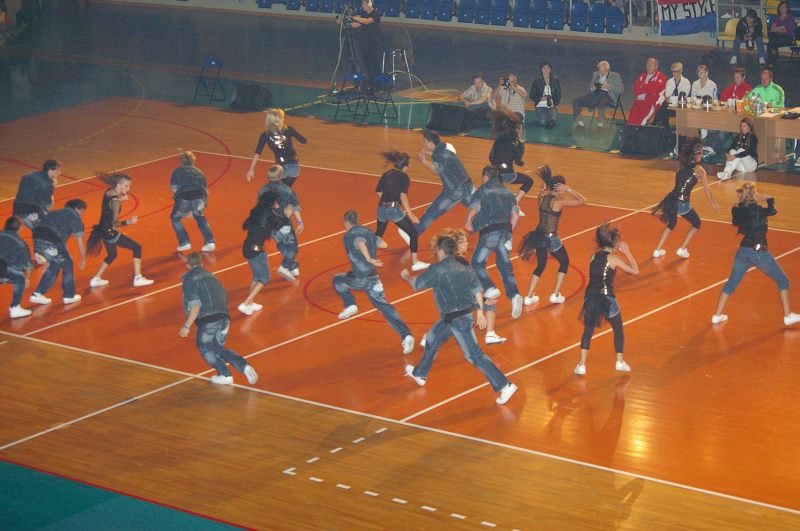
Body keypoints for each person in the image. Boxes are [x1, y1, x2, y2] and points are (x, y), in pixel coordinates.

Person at [400, 234, 518, 405]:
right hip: (455, 316)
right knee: (432, 338)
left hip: (457, 319)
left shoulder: (437, 269)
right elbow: (476, 289)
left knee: (474, 355)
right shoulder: (464, 266)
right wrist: (480, 311)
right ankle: (420, 373)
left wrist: (406, 276)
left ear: (441, 250)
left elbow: (416, 284)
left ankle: (505, 385)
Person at [711, 183, 799, 327]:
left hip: (743, 252)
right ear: (754, 195)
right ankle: (788, 315)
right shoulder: (758, 210)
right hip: (759, 253)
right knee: (783, 280)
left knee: (731, 283)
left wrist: (748, 199)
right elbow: (773, 210)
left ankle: (717, 315)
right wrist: (768, 198)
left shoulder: (737, 210)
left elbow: (737, 220)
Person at [333, 210, 415, 354]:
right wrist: (372, 246)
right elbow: (384, 244)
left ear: (346, 223)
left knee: (338, 280)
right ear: (358, 219)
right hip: (374, 278)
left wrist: (369, 258)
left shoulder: (349, 235)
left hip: (360, 277)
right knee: (384, 307)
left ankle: (350, 304)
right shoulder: (369, 232)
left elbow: (360, 243)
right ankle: (406, 335)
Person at [179, 252, 259, 386]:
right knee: (217, 348)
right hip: (224, 316)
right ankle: (244, 366)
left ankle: (224, 374)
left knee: (204, 347)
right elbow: (225, 296)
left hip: (207, 318)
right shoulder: (213, 277)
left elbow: (195, 305)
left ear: (187, 266)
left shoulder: (189, 279)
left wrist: (187, 326)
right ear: (202, 263)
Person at [574, 222, 639, 376]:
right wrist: (628, 252)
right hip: (607, 299)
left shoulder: (593, 257)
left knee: (587, 332)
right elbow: (635, 271)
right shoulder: (613, 259)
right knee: (618, 329)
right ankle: (619, 362)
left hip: (591, 299)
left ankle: (582, 365)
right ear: (614, 243)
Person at [519, 166, 587, 306]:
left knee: (541, 265)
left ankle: (529, 296)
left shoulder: (541, 198)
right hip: (551, 238)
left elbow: (542, 191)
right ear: (559, 188)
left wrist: (546, 187)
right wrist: (569, 189)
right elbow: (583, 200)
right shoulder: (558, 202)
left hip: (538, 236)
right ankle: (555, 295)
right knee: (564, 262)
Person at [466, 165, 524, 320]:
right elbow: (516, 215)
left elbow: (475, 207)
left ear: (485, 176)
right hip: (505, 232)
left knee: (477, 263)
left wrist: (469, 221)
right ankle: (515, 295)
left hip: (489, 231)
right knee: (504, 265)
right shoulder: (508, 193)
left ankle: (490, 287)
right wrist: (508, 231)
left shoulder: (482, 191)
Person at [651, 137, 720, 259]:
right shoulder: (700, 171)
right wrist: (714, 204)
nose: (702, 155)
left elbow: (682, 180)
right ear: (698, 154)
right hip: (682, 203)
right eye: (702, 153)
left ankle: (657, 250)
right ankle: (682, 249)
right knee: (696, 223)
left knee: (671, 224)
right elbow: (708, 192)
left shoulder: (681, 165)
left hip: (671, 200)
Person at [87, 173, 154, 289]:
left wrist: (120, 199)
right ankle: (138, 278)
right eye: (126, 186)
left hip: (103, 230)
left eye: (129, 186)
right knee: (137, 248)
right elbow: (115, 223)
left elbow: (109, 206)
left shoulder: (109, 192)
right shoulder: (115, 202)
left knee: (112, 255)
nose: (128, 189)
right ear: (118, 184)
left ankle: (96, 279)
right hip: (110, 232)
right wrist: (128, 222)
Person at [374, 151, 429, 271]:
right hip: (394, 210)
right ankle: (415, 263)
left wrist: (387, 200)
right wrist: (411, 214)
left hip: (381, 208)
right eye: (410, 164)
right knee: (413, 234)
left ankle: (370, 258)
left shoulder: (386, 174)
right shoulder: (404, 177)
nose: (411, 165)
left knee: (378, 234)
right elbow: (403, 196)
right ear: (405, 166)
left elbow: (378, 191)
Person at [414, 130, 473, 236]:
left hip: (455, 190)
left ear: (431, 143)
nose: (423, 144)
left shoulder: (439, 155)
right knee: (477, 206)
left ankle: (413, 234)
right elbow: (445, 157)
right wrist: (428, 153)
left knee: (432, 212)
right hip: (467, 185)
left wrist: (423, 161)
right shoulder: (446, 146)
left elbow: (438, 168)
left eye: (425, 142)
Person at [29, 199, 87, 306]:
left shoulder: (54, 213)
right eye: (83, 211)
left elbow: (39, 226)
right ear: (78, 209)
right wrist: (83, 258)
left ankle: (38, 294)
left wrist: (37, 251)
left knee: (56, 264)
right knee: (67, 264)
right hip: (52, 240)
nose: (83, 213)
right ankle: (69, 296)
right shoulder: (75, 217)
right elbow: (80, 242)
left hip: (37, 239)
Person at [237, 191, 285, 315]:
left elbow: (245, 226)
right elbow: (280, 226)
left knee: (256, 275)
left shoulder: (256, 212)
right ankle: (245, 304)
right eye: (276, 201)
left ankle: (250, 303)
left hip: (247, 247)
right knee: (265, 277)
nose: (278, 204)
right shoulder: (271, 216)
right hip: (257, 250)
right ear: (272, 202)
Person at [258, 166, 303, 282]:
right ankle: (284, 266)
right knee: (292, 247)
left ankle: (293, 266)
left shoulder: (262, 190)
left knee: (282, 244)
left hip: (270, 225)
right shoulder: (287, 190)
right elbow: (294, 206)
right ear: (281, 175)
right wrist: (300, 222)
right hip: (283, 223)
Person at [245, 108, 307, 186]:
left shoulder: (265, 135)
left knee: (278, 189)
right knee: (285, 189)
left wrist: (251, 169)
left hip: (280, 169)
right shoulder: (288, 129)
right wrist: (300, 142)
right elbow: (304, 141)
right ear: (279, 120)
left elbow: (258, 152)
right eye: (282, 117)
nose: (284, 119)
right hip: (294, 166)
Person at [170, 151, 215, 253]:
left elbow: (174, 188)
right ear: (193, 160)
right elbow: (205, 190)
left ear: (182, 161)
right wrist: (201, 204)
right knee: (199, 217)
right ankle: (210, 242)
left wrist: (187, 209)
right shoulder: (200, 172)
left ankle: (184, 242)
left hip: (184, 197)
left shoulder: (177, 171)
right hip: (200, 197)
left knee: (175, 218)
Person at [489, 110, 534, 210]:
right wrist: (522, 164)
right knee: (529, 181)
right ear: (517, 129)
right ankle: (515, 203)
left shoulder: (499, 139)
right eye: (520, 129)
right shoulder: (519, 144)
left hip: (492, 172)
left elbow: (491, 157)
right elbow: (517, 161)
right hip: (507, 174)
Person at [572, 60, 624, 130]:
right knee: (576, 101)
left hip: (608, 95)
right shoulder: (595, 74)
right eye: (600, 71)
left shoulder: (615, 76)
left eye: (603, 72)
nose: (601, 73)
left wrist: (610, 86)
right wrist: (592, 87)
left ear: (608, 70)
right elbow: (589, 87)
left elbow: (621, 90)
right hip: (595, 94)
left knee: (601, 102)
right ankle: (580, 123)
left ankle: (600, 125)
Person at [0, 217, 33, 318]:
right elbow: (27, 265)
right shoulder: (20, 242)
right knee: (19, 279)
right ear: (20, 228)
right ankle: (15, 307)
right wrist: (26, 278)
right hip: (2, 267)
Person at [13, 159, 58, 231]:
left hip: (17, 208)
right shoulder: (48, 185)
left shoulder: (30, 174)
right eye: (58, 170)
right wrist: (53, 188)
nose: (60, 172)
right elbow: (48, 205)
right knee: (44, 231)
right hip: (30, 212)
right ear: (51, 170)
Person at [350, 0, 381, 91]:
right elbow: (356, 25)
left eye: (363, 4)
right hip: (364, 44)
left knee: (374, 65)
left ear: (369, 4)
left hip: (373, 44)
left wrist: (354, 17)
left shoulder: (376, 14)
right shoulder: (364, 15)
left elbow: (367, 21)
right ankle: (370, 85)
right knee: (367, 65)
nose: (362, 6)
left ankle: (378, 86)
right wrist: (345, 23)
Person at [627, 57, 667, 126]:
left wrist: (643, 87)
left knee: (641, 120)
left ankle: (639, 131)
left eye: (651, 65)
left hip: (652, 102)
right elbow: (636, 91)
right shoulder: (642, 76)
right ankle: (631, 131)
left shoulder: (661, 77)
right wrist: (648, 87)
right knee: (631, 118)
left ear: (656, 66)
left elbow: (654, 91)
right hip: (639, 101)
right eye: (647, 65)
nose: (648, 67)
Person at [652, 62, 691, 129]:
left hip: (681, 108)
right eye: (673, 71)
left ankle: (657, 125)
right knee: (663, 109)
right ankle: (665, 129)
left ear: (681, 71)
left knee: (662, 110)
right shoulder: (669, 82)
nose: (674, 73)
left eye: (676, 71)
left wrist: (672, 98)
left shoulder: (686, 82)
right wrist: (674, 98)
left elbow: (683, 98)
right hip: (671, 107)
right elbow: (667, 98)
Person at [529, 61, 561, 129]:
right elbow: (532, 95)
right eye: (544, 68)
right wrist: (540, 98)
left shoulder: (555, 80)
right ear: (541, 70)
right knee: (543, 122)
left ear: (550, 69)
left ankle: (551, 119)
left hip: (551, 105)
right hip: (540, 105)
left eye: (547, 68)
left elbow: (558, 94)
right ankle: (546, 119)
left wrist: (555, 104)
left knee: (552, 120)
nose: (546, 70)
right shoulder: (537, 81)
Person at [766, 1, 796, 66]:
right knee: (772, 39)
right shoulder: (776, 18)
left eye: (783, 7)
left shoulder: (790, 18)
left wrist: (777, 29)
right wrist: (781, 28)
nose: (781, 8)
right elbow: (772, 29)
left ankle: (772, 61)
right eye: (780, 6)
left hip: (787, 38)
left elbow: (786, 30)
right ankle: (773, 60)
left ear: (787, 8)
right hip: (776, 37)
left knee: (771, 43)